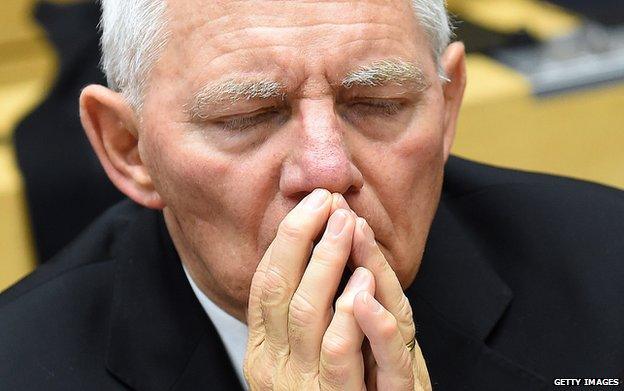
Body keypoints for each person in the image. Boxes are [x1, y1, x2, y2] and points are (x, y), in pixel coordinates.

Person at [1, 0, 622, 390]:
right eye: (247, 115)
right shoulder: (21, 365)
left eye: (378, 105)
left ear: (447, 103)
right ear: (128, 147)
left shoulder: (607, 268)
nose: (326, 169)